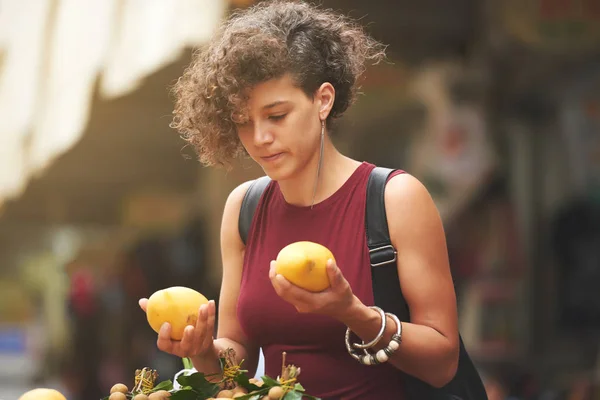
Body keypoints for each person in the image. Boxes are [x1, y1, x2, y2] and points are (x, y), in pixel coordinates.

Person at [139, 1, 459, 398]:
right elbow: (235, 363)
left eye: (276, 116)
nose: (259, 138)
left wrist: (352, 313)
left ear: (322, 100)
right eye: (243, 122)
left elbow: (444, 363)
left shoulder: (395, 197)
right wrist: (203, 352)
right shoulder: (244, 209)